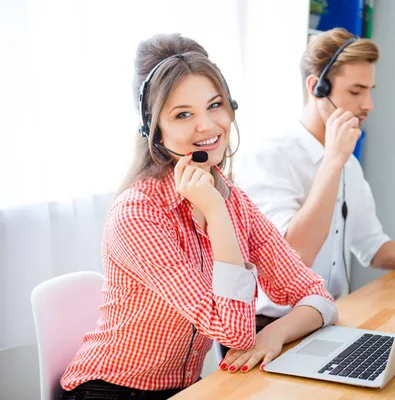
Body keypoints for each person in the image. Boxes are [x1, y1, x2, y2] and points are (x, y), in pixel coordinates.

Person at [59, 33, 337, 400]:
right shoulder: (138, 215)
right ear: (154, 129)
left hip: (183, 389)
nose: (207, 126)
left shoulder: (231, 198)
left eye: (215, 105)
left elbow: (317, 295)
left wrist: (275, 333)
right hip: (109, 392)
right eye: (184, 114)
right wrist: (216, 214)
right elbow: (234, 333)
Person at [234, 28, 395, 321]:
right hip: (269, 328)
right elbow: (294, 259)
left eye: (369, 90)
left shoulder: (346, 160)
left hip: (325, 318)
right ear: (318, 88)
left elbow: (370, 245)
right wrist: (333, 162)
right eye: (355, 91)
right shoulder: (269, 158)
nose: (368, 105)